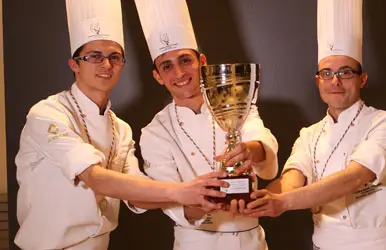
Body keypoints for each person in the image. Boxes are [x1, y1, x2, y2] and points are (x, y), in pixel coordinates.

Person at [14, 1, 229, 249]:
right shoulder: (47, 113)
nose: (106, 65)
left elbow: (138, 194)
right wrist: (182, 191)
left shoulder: (121, 129)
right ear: (75, 64)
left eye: (114, 57)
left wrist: (199, 200)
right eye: (95, 56)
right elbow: (94, 177)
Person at [241, 0, 386, 249]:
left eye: (345, 72)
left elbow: (353, 178)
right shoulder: (309, 135)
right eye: (327, 74)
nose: (335, 82)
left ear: (362, 79)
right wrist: (259, 199)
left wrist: (284, 203)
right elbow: (292, 180)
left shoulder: (385, 123)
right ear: (318, 81)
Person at [134, 0, 279, 249]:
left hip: (250, 241)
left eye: (185, 60)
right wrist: (205, 202)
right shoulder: (154, 133)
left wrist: (249, 150)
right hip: (196, 242)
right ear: (157, 76)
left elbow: (263, 145)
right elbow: (167, 197)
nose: (179, 73)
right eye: (166, 66)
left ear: (202, 61)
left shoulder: (236, 103)